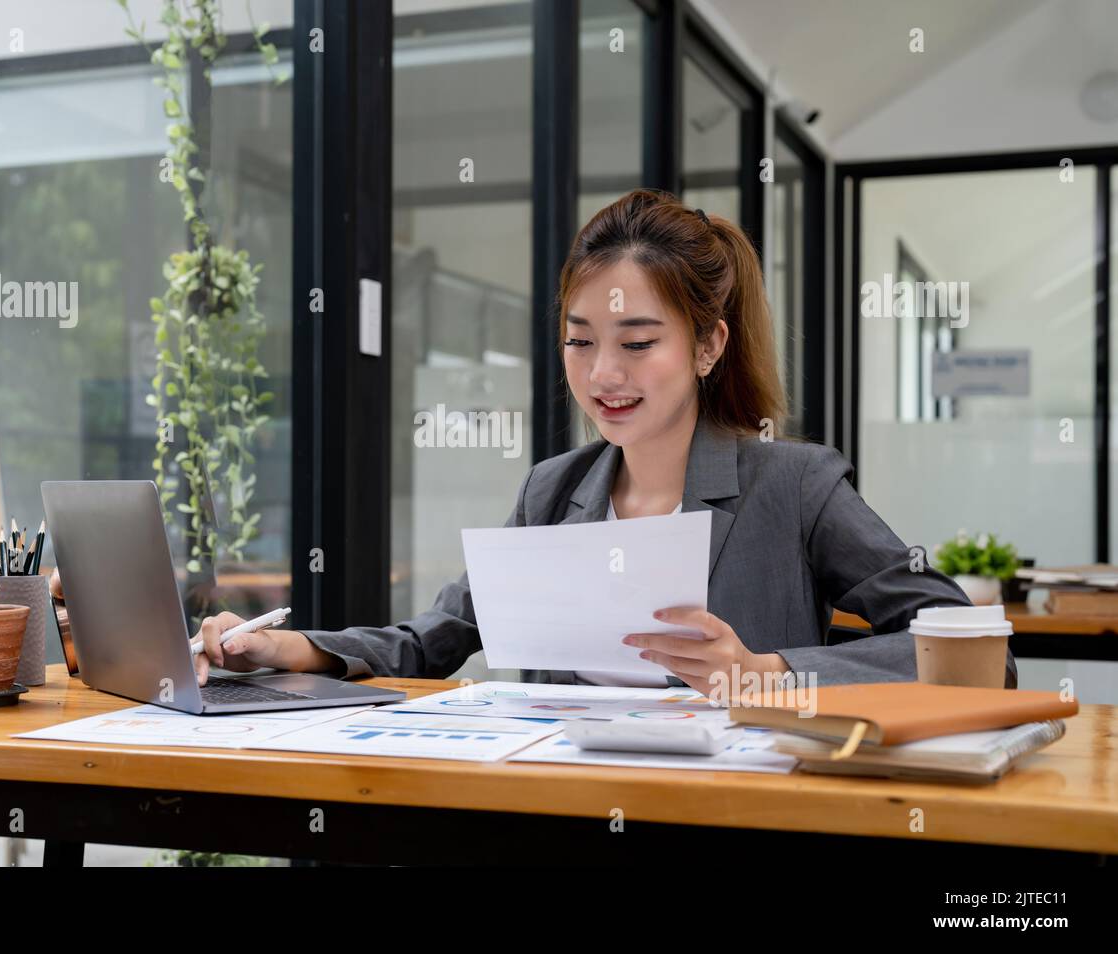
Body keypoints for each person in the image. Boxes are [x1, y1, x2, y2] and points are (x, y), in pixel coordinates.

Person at [194, 188, 1017, 694]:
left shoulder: (794, 485)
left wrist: (768, 672)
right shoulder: (553, 491)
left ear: (706, 347)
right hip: (572, 817)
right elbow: (430, 642)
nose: (602, 374)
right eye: (580, 340)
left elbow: (974, 653)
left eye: (637, 340)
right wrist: (289, 647)